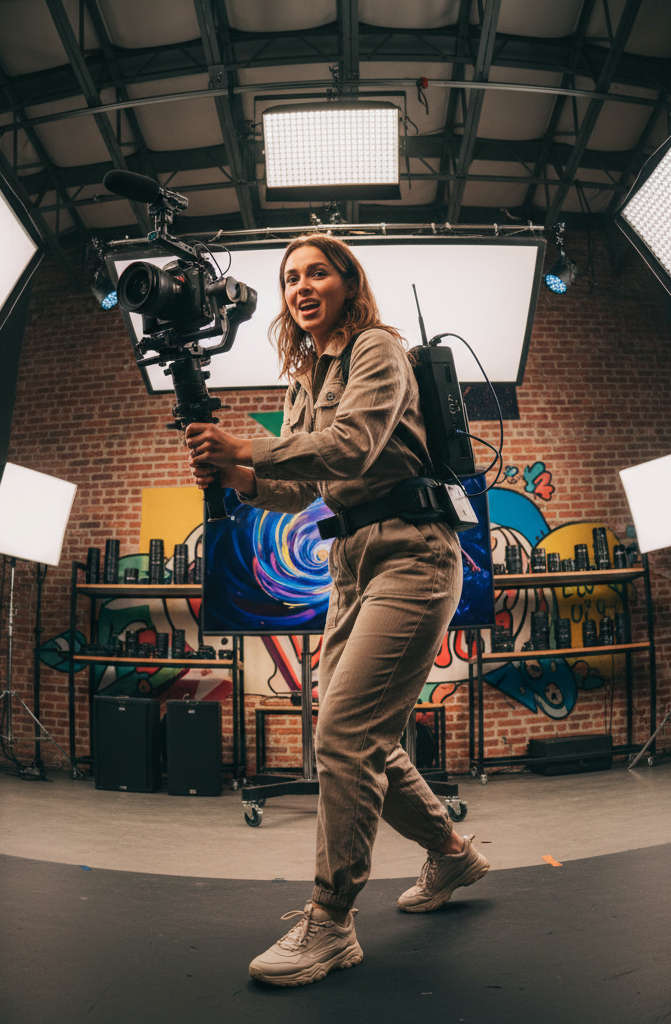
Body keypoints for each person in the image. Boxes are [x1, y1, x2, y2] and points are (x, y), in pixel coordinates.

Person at [184, 235, 490, 987]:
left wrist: (251, 453)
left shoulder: (378, 349)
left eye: (318, 271)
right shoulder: (302, 381)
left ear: (349, 283)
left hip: (414, 555)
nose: (301, 285)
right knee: (369, 739)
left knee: (343, 731)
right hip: (350, 567)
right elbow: (300, 491)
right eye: (291, 277)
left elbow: (351, 448)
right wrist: (238, 472)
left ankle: (332, 921)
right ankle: (454, 858)